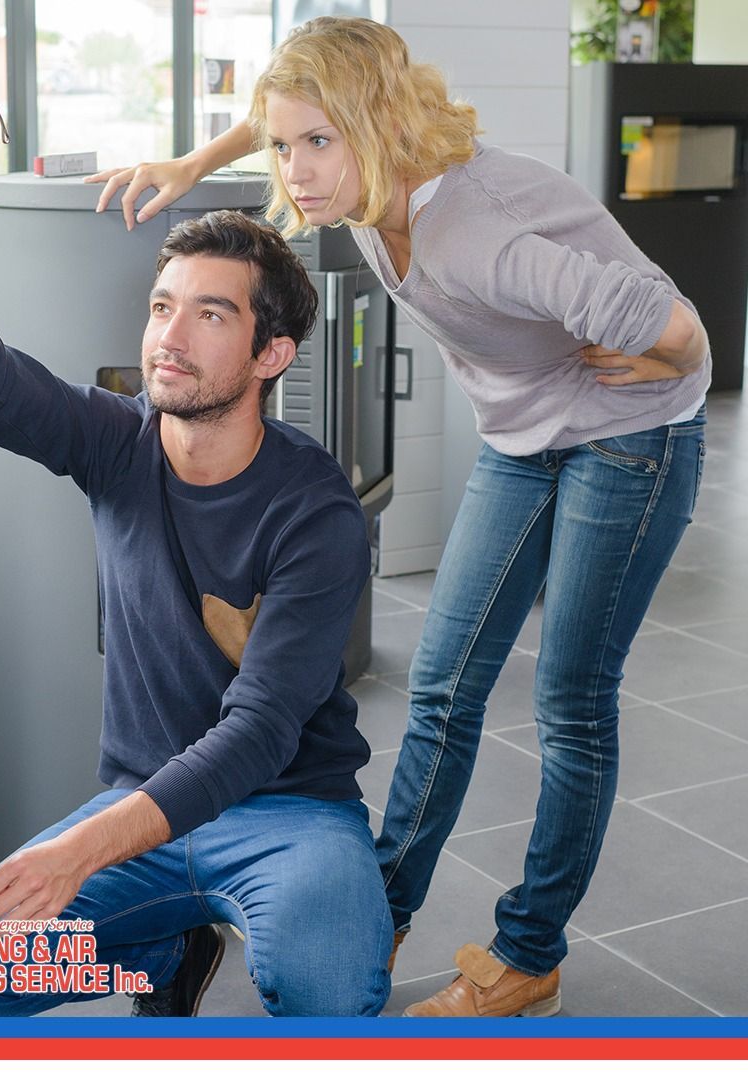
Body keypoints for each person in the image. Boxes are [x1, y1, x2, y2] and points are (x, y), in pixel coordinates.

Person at [90, 16, 710, 1018]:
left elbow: (674, 322)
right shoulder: (365, 179)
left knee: (570, 701)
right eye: (288, 144)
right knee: (444, 686)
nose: (296, 170)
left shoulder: (476, 230)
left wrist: (673, 360)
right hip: (527, 437)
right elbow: (284, 122)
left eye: (317, 144)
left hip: (633, 436)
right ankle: (379, 908)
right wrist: (196, 156)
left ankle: (528, 953)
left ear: (376, 126)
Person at [0, 93, 393, 1017]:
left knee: (328, 993)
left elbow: (258, 736)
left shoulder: (316, 512)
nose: (169, 335)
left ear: (272, 351)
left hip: (289, 812)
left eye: (209, 315)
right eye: (163, 306)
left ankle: (170, 939)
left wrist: (75, 848)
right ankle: (166, 949)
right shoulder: (117, 441)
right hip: (144, 812)